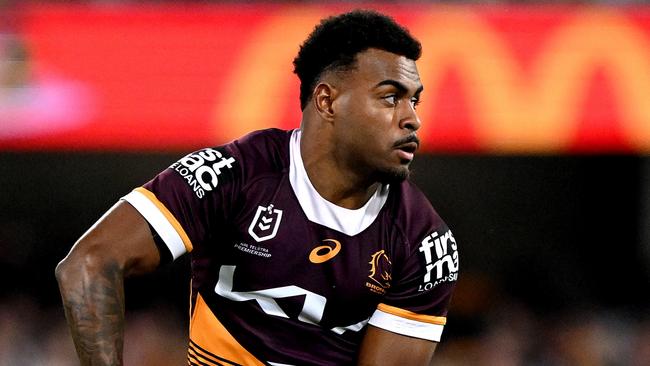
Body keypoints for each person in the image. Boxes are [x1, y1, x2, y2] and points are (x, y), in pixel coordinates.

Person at [56, 9, 459, 365]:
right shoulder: (233, 176)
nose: (412, 119)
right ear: (327, 101)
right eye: (391, 98)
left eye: (415, 101)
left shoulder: (426, 243)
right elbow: (88, 264)